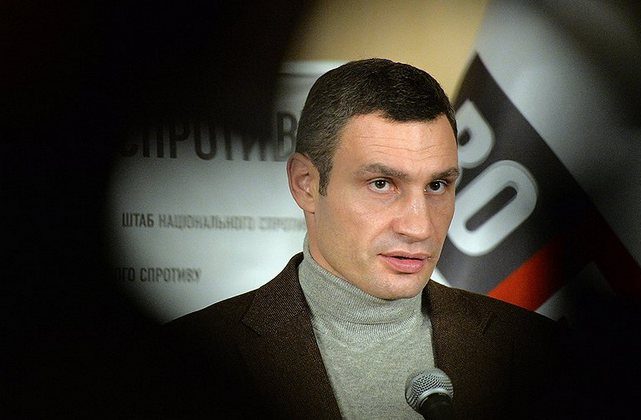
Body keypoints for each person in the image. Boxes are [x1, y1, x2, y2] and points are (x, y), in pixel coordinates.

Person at [157, 58, 567, 419]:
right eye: (381, 183)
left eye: (437, 185)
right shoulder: (188, 362)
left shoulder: (539, 352)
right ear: (305, 184)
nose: (420, 227)